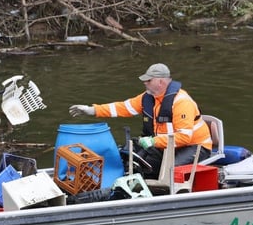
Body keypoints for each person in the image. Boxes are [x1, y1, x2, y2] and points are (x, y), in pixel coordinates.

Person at [68, 63, 212, 179]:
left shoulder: (181, 102)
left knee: (170, 171)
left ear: (160, 82)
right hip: (167, 144)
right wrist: (92, 110)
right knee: (139, 164)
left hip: (196, 146)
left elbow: (184, 137)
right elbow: (122, 107)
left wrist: (152, 142)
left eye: (148, 80)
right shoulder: (148, 98)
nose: (145, 83)